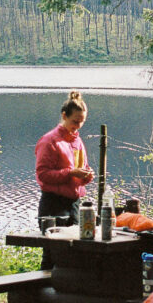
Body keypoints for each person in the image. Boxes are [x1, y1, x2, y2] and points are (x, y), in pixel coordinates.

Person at [35, 91, 95, 268]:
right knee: (52, 255)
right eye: (75, 121)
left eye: (81, 122)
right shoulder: (50, 141)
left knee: (75, 255)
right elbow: (43, 175)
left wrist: (86, 176)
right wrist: (70, 173)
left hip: (75, 204)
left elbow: (79, 174)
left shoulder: (78, 142)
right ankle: (42, 293)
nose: (78, 126)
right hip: (53, 204)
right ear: (64, 116)